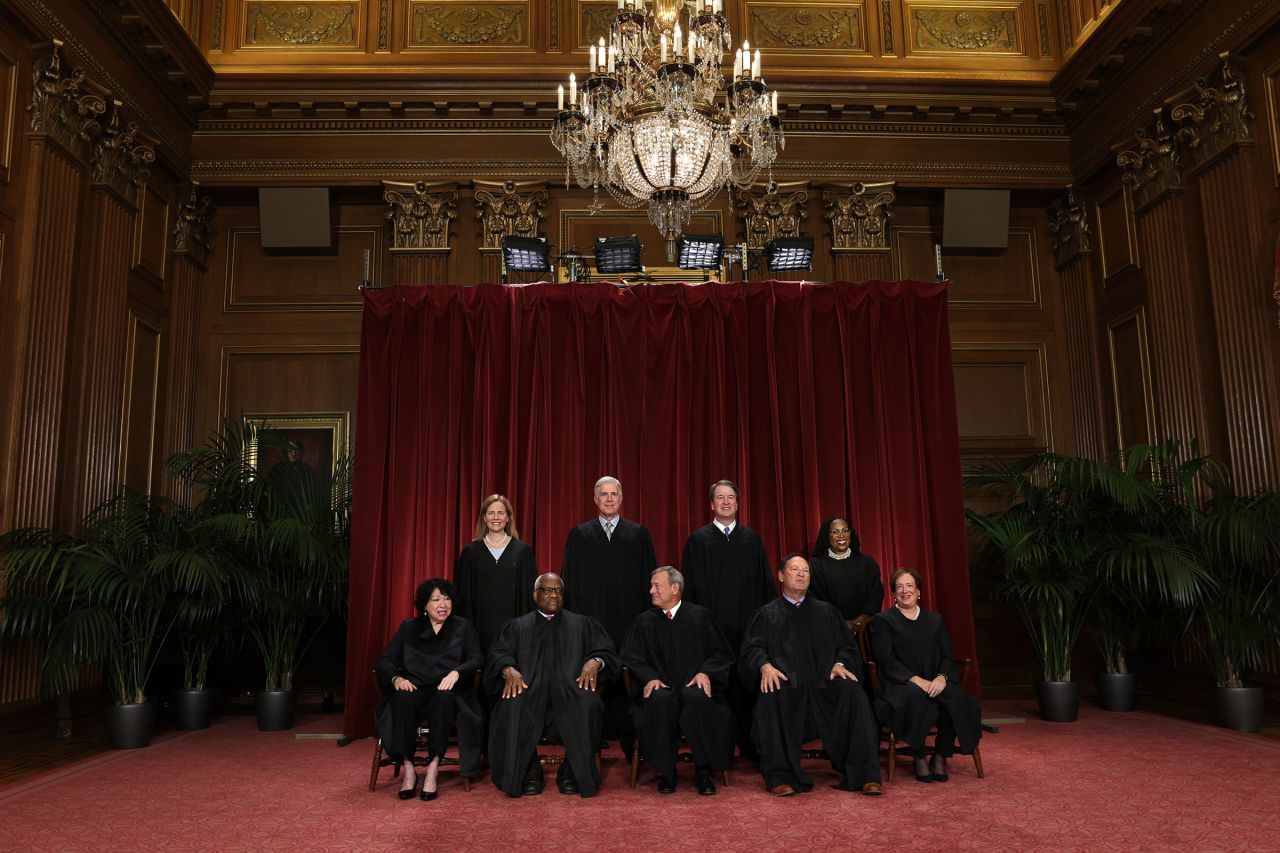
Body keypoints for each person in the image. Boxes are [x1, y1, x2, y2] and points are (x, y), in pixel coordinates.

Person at [741, 552, 883, 797]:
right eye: (795, 570)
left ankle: (865, 774)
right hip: (787, 685)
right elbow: (752, 649)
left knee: (853, 693)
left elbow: (846, 647)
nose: (801, 575)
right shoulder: (766, 614)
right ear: (781, 576)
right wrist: (765, 666)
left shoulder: (826, 611)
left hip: (823, 684)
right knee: (770, 694)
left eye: (805, 571)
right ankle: (781, 775)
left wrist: (840, 663)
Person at [484, 572, 619, 798]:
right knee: (511, 704)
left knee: (588, 703)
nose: (553, 595)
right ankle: (527, 771)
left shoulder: (582, 624)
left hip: (571, 690)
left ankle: (573, 772)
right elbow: (498, 654)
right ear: (535, 595)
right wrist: (508, 668)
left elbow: (607, 652)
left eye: (557, 590)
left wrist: (595, 662)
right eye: (547, 590)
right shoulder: (517, 626)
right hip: (529, 690)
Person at [560, 475, 657, 756]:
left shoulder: (639, 534)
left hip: (629, 621)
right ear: (595, 499)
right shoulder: (580, 535)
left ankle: (632, 739)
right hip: (592, 621)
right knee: (593, 679)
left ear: (622, 498)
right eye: (604, 494)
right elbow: (569, 580)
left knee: (629, 680)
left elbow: (650, 582)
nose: (609, 499)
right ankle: (592, 740)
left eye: (614, 494)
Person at [680, 479, 775, 757]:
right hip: (712, 629)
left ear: (737, 503)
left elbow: (764, 586)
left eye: (730, 497)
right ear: (711, 504)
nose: (725, 502)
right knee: (713, 685)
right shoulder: (698, 540)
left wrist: (763, 627)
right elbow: (691, 589)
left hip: (747, 628)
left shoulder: (752, 540)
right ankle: (715, 749)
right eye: (719, 498)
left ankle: (749, 743)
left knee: (746, 686)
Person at [620, 566, 734, 795]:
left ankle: (703, 771)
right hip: (662, 686)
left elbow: (721, 653)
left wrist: (705, 673)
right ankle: (667, 771)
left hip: (694, 685)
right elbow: (631, 658)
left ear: (675, 588)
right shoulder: (643, 621)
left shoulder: (700, 616)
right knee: (660, 701)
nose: (651, 590)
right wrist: (649, 677)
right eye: (651, 585)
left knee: (698, 699)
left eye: (656, 586)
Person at [374, 578, 483, 801]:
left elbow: (476, 658)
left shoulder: (462, 627)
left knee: (443, 700)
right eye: (435, 600)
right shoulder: (408, 627)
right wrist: (396, 679)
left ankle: (433, 766)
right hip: (415, 687)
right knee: (402, 699)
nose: (443, 604)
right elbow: (385, 660)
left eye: (447, 598)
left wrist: (457, 672)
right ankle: (409, 768)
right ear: (424, 605)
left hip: (447, 689)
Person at [871, 567, 982, 783]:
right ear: (894, 593)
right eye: (899, 587)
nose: (905, 591)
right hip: (901, 683)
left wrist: (942, 678)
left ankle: (940, 755)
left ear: (919, 591)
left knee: (958, 700)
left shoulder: (935, 621)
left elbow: (947, 657)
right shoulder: (885, 620)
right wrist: (916, 680)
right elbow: (886, 660)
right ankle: (920, 754)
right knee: (918, 699)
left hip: (934, 681)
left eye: (909, 586)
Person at [454, 494, 539, 651]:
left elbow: (530, 596)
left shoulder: (523, 551)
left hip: (515, 631)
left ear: (508, 517)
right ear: (484, 518)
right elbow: (462, 597)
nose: (496, 517)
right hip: (480, 632)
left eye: (501, 513)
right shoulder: (470, 552)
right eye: (491, 513)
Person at [809, 516, 885, 629]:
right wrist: (841, 624)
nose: (841, 535)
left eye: (845, 531)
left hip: (864, 630)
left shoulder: (867, 562)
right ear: (827, 536)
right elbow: (815, 599)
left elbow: (876, 594)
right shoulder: (816, 565)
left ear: (850, 533)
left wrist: (861, 620)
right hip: (830, 630)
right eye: (835, 532)